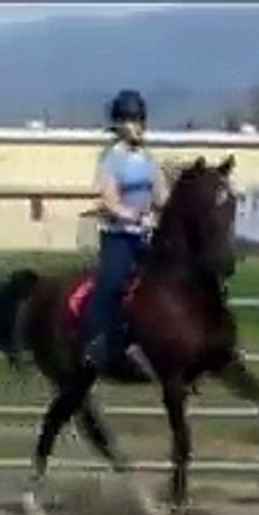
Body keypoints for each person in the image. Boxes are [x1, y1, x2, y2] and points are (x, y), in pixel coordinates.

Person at [84, 88, 168, 370]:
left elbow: (161, 196)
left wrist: (165, 214)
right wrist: (133, 217)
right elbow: (108, 201)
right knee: (114, 282)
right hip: (118, 236)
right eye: (131, 121)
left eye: (140, 120)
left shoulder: (148, 158)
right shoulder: (111, 158)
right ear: (119, 125)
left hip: (146, 235)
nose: (138, 127)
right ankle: (98, 341)